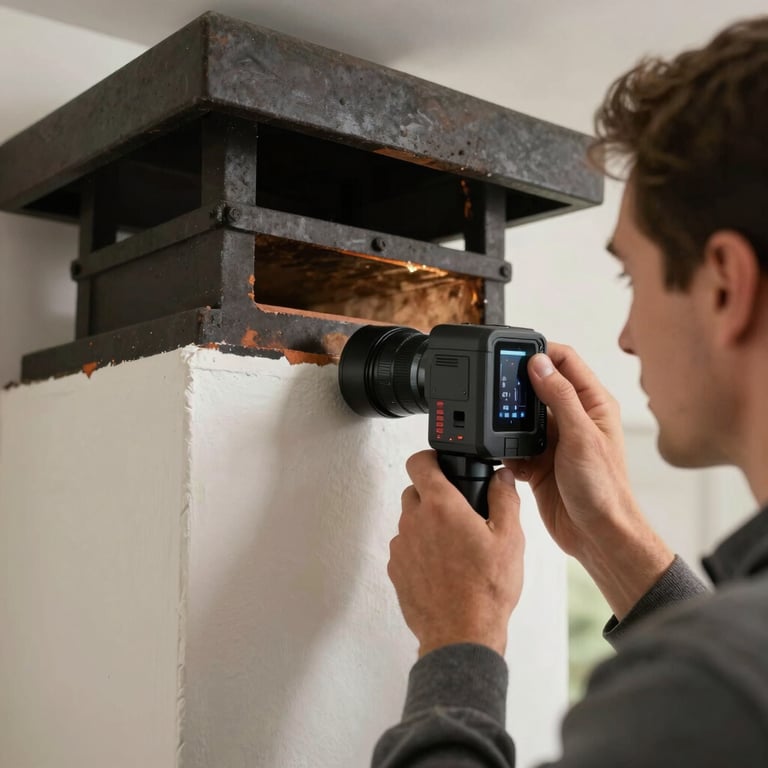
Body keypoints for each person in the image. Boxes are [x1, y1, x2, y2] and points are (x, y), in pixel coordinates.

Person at [372, 15, 768, 768]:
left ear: (724, 286)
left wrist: (460, 635)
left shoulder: (715, 687)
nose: (626, 337)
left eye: (631, 276)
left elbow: (728, 688)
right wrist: (609, 535)